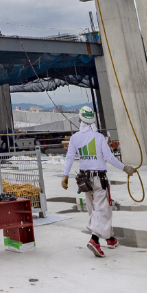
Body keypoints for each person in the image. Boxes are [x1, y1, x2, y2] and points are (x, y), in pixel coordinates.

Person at [61, 105, 124, 258]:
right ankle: (95, 240)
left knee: (94, 210)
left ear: (80, 119)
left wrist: (65, 175)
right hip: (99, 179)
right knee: (102, 210)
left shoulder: (75, 138)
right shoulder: (99, 138)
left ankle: (109, 238)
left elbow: (69, 157)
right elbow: (109, 158)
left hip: (84, 180)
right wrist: (124, 168)